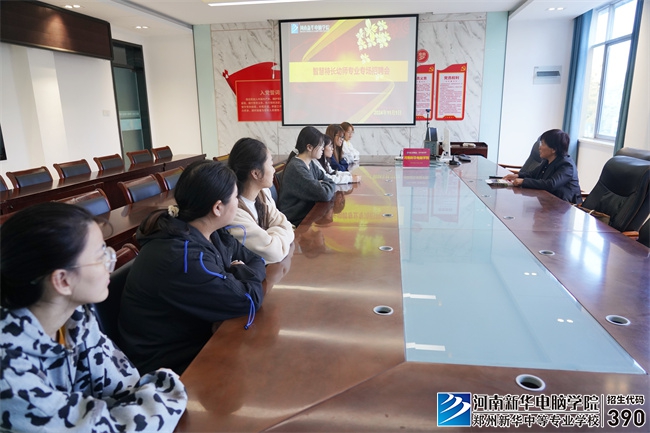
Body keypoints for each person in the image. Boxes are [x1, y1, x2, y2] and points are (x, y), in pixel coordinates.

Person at [0, 202, 187, 432]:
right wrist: (167, 386)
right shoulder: (8, 370)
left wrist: (149, 397)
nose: (111, 261)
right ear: (62, 280)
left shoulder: (76, 317)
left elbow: (126, 387)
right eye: (100, 256)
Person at [119, 160, 266, 375]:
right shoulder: (184, 257)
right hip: (169, 367)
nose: (238, 202)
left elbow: (256, 260)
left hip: (196, 340)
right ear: (217, 208)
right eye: (236, 197)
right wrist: (237, 271)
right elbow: (249, 300)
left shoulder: (211, 232)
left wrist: (235, 274)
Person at [227, 137, 294, 264]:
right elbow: (274, 252)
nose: (274, 169)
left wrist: (271, 236)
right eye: (270, 164)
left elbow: (286, 225)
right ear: (256, 173)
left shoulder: (262, 194)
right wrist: (276, 235)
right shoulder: (233, 212)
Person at [503, 129, 583, 204]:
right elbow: (533, 174)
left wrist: (523, 181)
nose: (539, 147)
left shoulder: (567, 165)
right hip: (549, 201)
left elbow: (551, 184)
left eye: (543, 144)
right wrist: (517, 175)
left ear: (553, 149)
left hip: (566, 206)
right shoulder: (547, 160)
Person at [278, 126, 336, 226]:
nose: (323, 148)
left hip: (307, 215)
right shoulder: (297, 168)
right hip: (296, 221)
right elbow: (324, 194)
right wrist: (321, 184)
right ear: (309, 147)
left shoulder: (310, 163)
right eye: (320, 145)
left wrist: (321, 184)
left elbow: (330, 180)